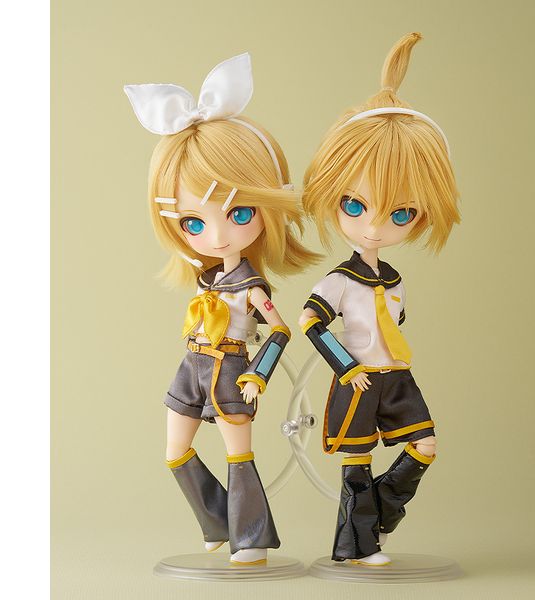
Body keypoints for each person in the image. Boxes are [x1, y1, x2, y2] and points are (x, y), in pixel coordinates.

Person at [125, 53, 319, 565]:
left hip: (232, 367)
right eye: (193, 222)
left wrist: (259, 374)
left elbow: (280, 331)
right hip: (192, 365)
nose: (216, 236)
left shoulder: (251, 287)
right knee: (175, 452)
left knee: (239, 455)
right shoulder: (205, 277)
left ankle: (250, 539)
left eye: (239, 212)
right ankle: (216, 523)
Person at [299, 33, 460, 566]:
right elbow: (311, 322)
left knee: (424, 445)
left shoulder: (393, 280)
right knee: (357, 463)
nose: (373, 226)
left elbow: (396, 323)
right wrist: (346, 368)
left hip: (397, 375)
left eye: (399, 214)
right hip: (360, 378)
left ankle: (377, 519)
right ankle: (357, 545)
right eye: (354, 205)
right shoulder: (340, 281)